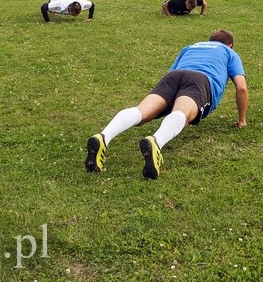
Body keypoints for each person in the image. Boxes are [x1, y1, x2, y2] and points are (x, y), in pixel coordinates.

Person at [85, 29, 248, 179]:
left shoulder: (190, 47)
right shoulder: (230, 53)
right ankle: (156, 141)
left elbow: (172, 71)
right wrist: (242, 120)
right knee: (182, 113)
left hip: (173, 77)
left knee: (141, 111)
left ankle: (103, 136)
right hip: (200, 80)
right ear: (230, 45)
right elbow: (241, 87)